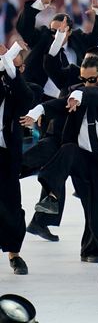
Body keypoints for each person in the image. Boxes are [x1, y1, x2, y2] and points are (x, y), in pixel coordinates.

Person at [21, 56, 98, 289]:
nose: (87, 84)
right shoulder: (77, 94)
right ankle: (51, 196)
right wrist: (37, 110)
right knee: (68, 149)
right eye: (83, 80)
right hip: (84, 159)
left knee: (96, 221)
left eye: (92, 79)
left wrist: (80, 94)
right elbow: (56, 104)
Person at [0, 42, 33, 276]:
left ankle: (14, 252)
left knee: (12, 206)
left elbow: (25, 96)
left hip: (5, 155)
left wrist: (9, 67)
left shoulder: (21, 90)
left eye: (18, 67)